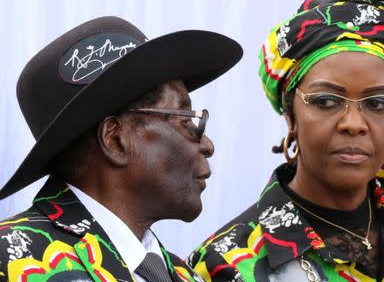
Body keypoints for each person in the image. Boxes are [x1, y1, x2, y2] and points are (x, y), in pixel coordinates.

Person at [187, 0, 384, 281]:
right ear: (291, 115)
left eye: (377, 103)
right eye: (326, 101)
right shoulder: (224, 265)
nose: (353, 124)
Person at [0, 16, 242, 281]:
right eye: (186, 121)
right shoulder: (12, 260)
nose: (207, 145)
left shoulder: (188, 276)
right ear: (115, 140)